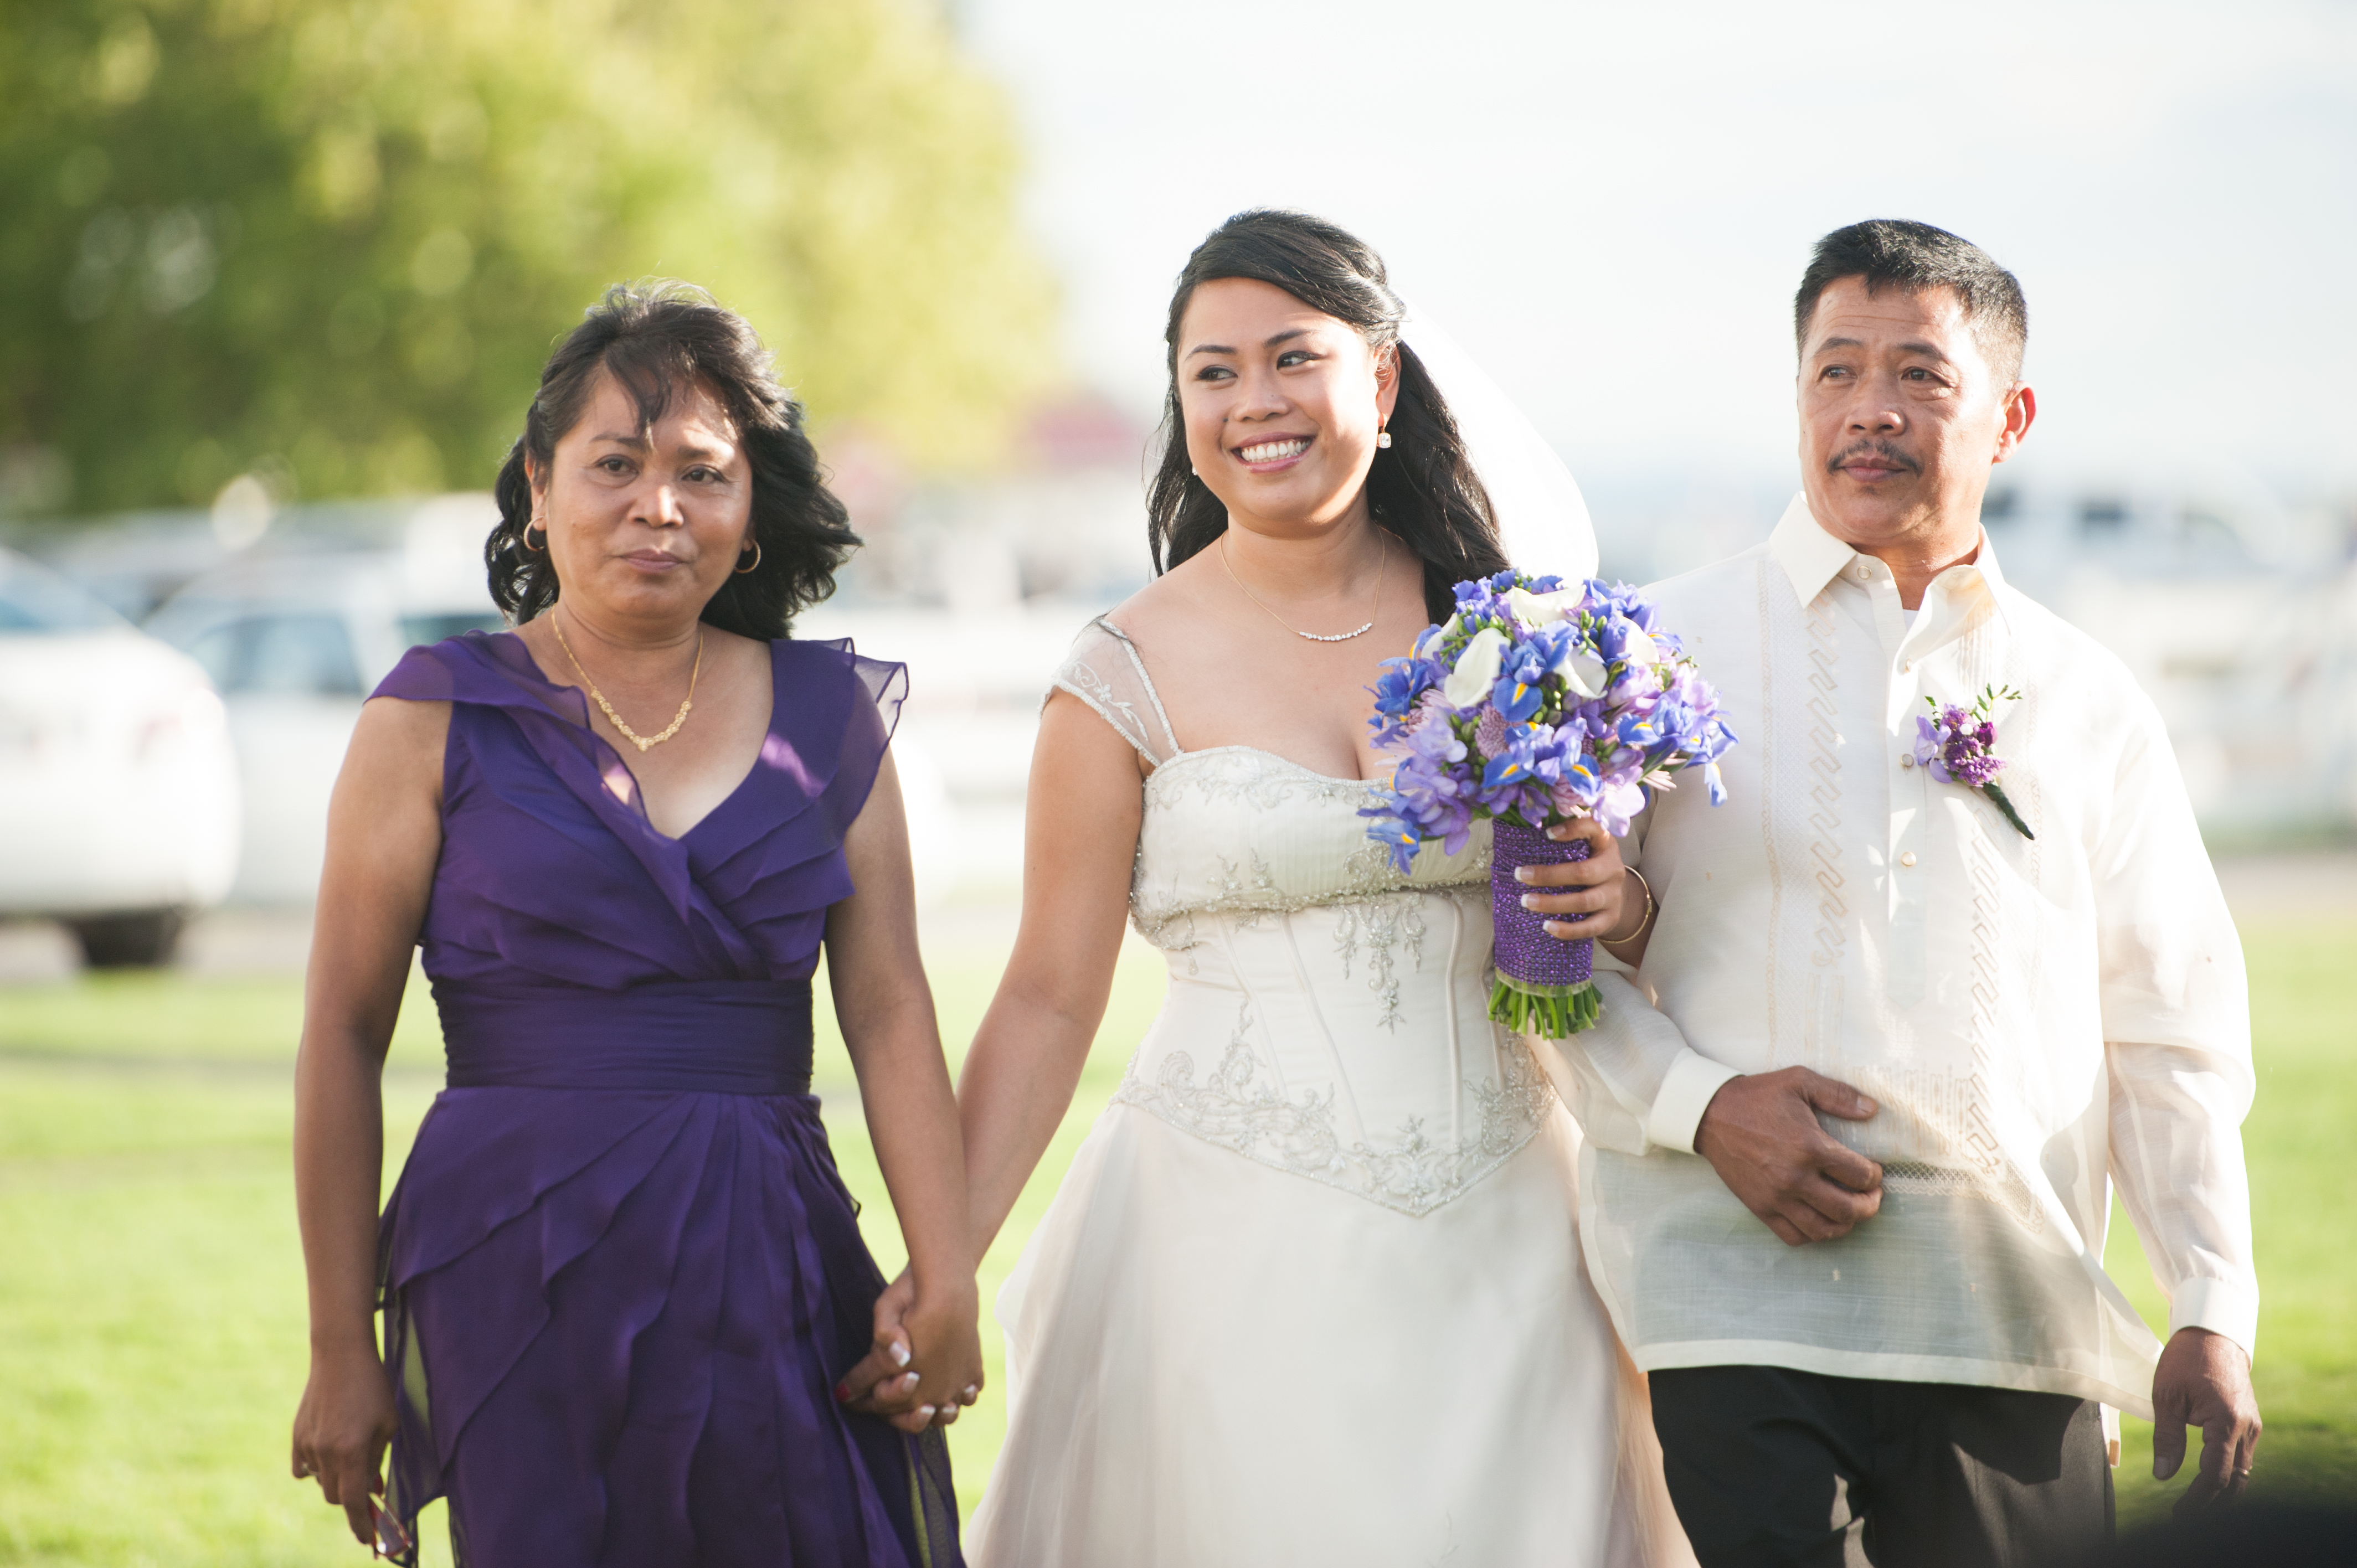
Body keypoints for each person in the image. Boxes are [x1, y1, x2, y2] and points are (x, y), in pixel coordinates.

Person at [845, 208, 1691, 1565]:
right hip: (1218, 1248)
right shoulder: (1117, 672)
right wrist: (945, 1265)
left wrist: (1624, 904)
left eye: (1293, 359)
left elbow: (1622, 930)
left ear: (1384, 381)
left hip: (1520, 1238)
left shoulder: (1519, 639)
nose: (1255, 404)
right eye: (1213, 372)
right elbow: (1051, 999)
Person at [1553, 220, 2262, 1566]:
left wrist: (2210, 1301)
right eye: (1834, 371)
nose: (1868, 410)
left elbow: (2169, 1021)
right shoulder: (1647, 650)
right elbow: (1539, 959)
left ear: (2011, 415)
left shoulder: (2086, 697)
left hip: (2011, 1309)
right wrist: (1704, 1113)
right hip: (1725, 1297)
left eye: (1921, 377)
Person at [287, 282, 982, 1566]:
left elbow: (888, 1011)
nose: (659, 506)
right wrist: (342, 1343)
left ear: (750, 508)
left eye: (702, 473)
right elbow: (339, 1033)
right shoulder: (431, 718)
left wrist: (946, 1273)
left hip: (771, 1254)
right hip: (509, 1264)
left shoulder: (831, 720)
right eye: (615, 464)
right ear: (538, 487)